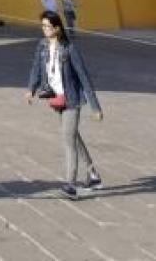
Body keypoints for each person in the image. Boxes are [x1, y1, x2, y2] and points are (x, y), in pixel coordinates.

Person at [26, 11, 103, 198]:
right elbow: (36, 67)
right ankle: (93, 174)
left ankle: (71, 184)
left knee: (67, 139)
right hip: (56, 98)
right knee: (73, 136)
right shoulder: (42, 45)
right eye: (42, 26)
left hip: (72, 99)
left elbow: (84, 77)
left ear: (57, 28)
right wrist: (31, 89)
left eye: (47, 26)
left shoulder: (69, 49)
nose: (44, 29)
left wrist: (95, 107)